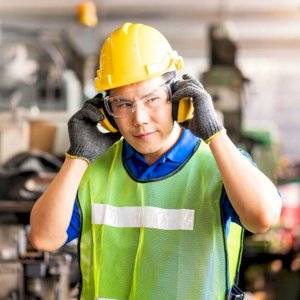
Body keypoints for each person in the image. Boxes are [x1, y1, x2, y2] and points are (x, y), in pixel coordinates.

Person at [29, 23, 282, 300]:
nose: (139, 118)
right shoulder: (93, 171)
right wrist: (76, 157)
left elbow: (263, 218)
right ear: (106, 111)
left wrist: (215, 134)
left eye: (152, 99)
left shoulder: (218, 165)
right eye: (123, 104)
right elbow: (44, 238)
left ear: (177, 98)